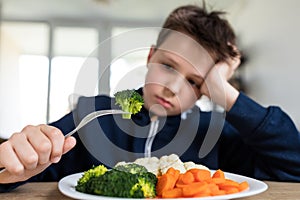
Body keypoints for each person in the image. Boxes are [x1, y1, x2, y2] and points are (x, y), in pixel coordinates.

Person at [1, 4, 300, 193]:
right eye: (168, 66)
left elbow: (293, 164)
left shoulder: (216, 132)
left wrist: (224, 90)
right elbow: (20, 172)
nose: (172, 87)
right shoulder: (94, 114)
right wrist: (20, 160)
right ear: (150, 56)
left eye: (196, 81)